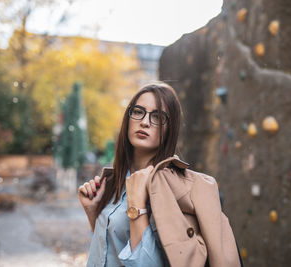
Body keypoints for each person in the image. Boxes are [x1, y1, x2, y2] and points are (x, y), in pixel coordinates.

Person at [78, 82, 241, 267]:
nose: (145, 122)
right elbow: (108, 254)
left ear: (170, 129)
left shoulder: (176, 190)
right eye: (138, 111)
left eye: (157, 116)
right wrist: (93, 213)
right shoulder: (113, 182)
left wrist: (137, 205)